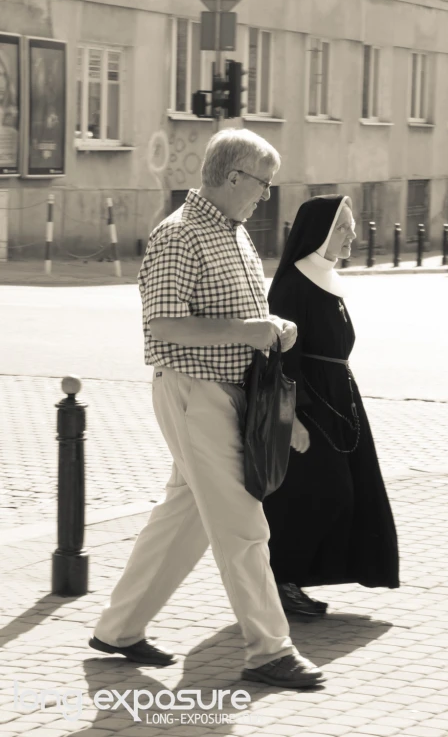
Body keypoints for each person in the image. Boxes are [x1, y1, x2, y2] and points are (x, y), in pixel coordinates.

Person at [88, 128, 325, 689]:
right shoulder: (179, 235)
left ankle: (118, 630)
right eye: (263, 183)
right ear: (234, 176)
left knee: (184, 520)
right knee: (243, 525)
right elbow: (162, 323)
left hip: (226, 393)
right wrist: (248, 329)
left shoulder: (232, 231)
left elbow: (237, 319)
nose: (267, 195)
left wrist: (267, 332)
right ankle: (269, 649)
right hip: (196, 393)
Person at [264, 194, 400, 617]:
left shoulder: (326, 280)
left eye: (352, 225)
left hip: (339, 399)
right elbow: (282, 360)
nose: (353, 234)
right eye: (343, 227)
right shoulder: (291, 287)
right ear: (320, 233)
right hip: (309, 406)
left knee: (350, 492)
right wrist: (294, 420)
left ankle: (291, 581)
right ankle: (280, 580)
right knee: (324, 494)